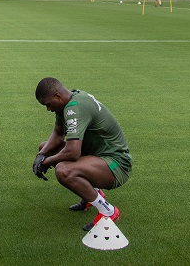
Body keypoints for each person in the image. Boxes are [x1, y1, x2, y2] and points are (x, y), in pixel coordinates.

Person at [32, 77, 132, 231]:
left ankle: (108, 211)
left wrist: (46, 162)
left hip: (116, 164)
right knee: (45, 147)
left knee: (64, 170)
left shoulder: (75, 108)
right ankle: (91, 195)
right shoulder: (68, 100)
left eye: (48, 104)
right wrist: (41, 156)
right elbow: (58, 134)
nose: (48, 109)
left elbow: (73, 152)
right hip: (97, 158)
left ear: (57, 96)